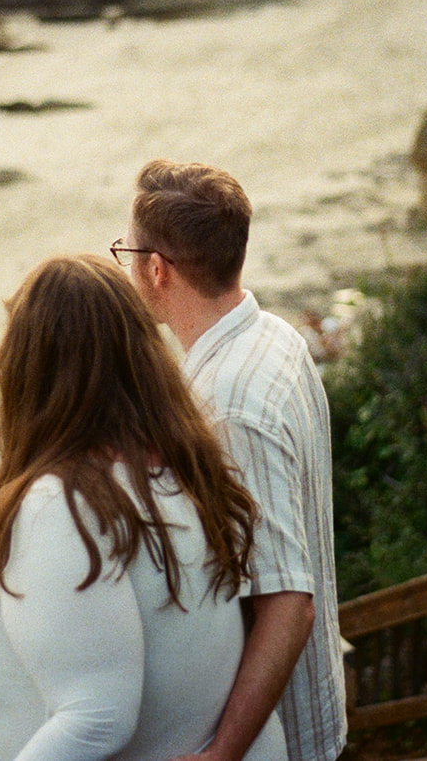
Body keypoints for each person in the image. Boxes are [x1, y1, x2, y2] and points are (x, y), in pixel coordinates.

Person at [0, 255, 288, 761]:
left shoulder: (64, 502)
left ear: (28, 368)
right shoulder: (176, 465)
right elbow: (93, 619)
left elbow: (98, 715)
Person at [116, 160, 346, 761]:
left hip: (275, 741)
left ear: (157, 270)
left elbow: (287, 602)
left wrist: (222, 752)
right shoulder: (275, 337)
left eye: (128, 252)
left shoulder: (229, 407)